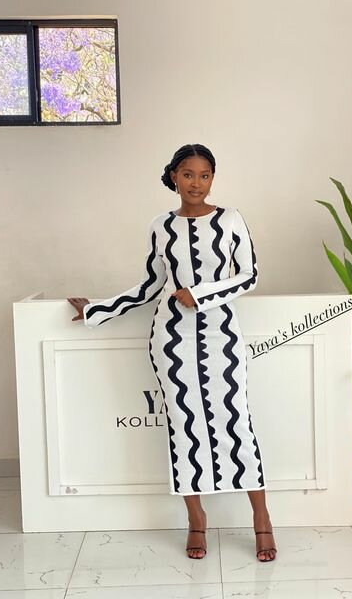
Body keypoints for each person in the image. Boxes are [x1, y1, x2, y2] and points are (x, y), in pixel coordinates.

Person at [67, 143, 277, 562]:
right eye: (188, 174)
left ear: (212, 178)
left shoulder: (231, 219)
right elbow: (151, 285)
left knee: (236, 422)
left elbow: (249, 275)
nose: (196, 183)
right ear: (174, 177)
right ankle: (195, 519)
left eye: (204, 175)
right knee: (184, 426)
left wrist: (200, 294)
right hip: (171, 339)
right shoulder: (160, 226)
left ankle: (262, 519)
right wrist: (97, 310)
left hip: (220, 336)